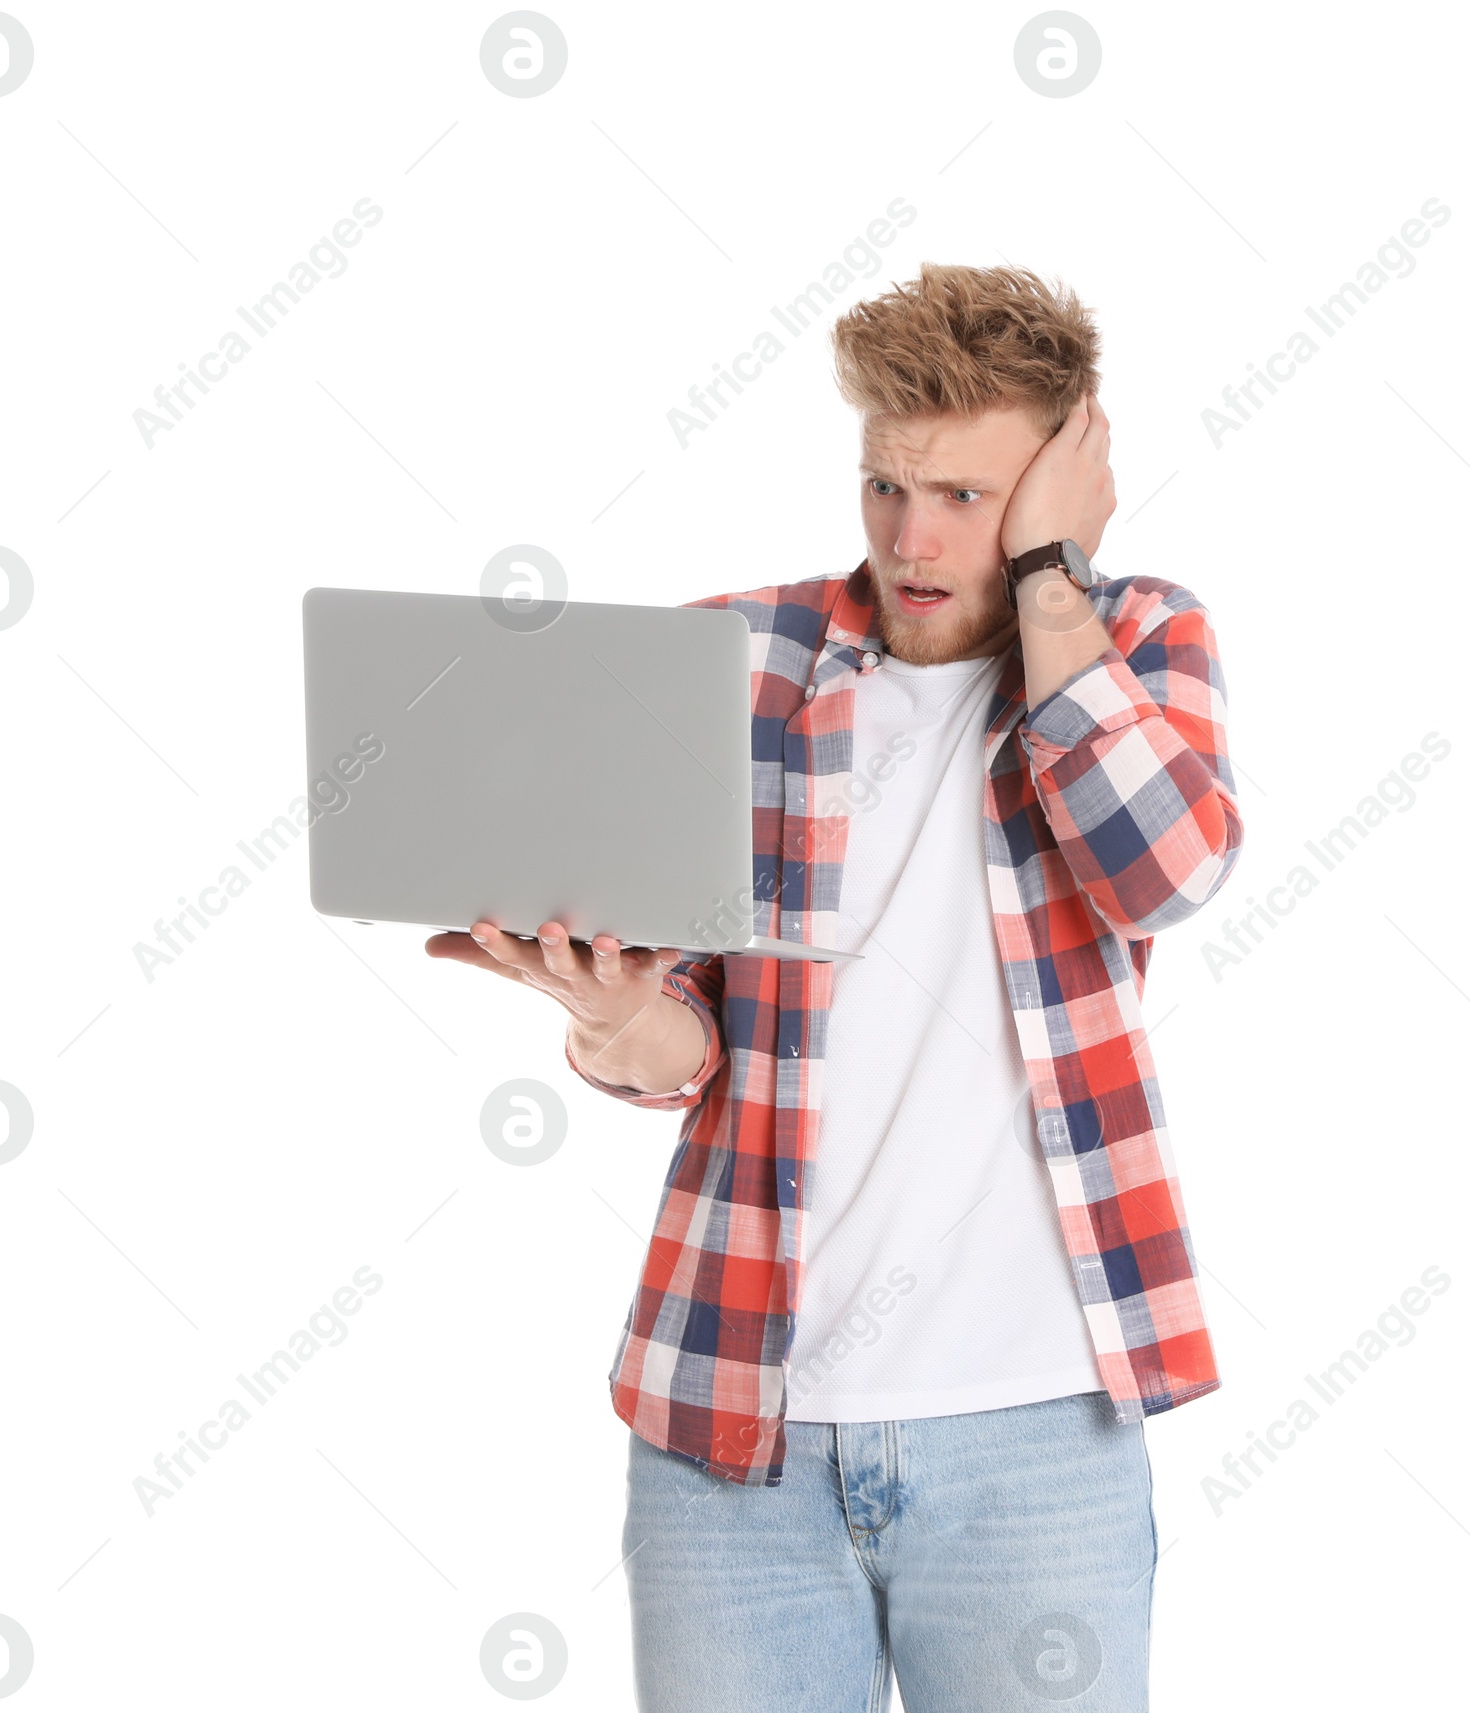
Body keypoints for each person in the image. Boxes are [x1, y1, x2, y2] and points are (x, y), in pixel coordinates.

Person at [428, 263, 1244, 1712]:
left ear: (1066, 478)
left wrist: (1053, 585)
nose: (914, 540)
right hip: (733, 1429)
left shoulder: (1136, 640)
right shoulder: (732, 659)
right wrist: (615, 1019)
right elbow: (685, 1036)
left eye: (970, 499)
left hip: (1037, 1440)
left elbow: (1165, 870)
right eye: (885, 484)